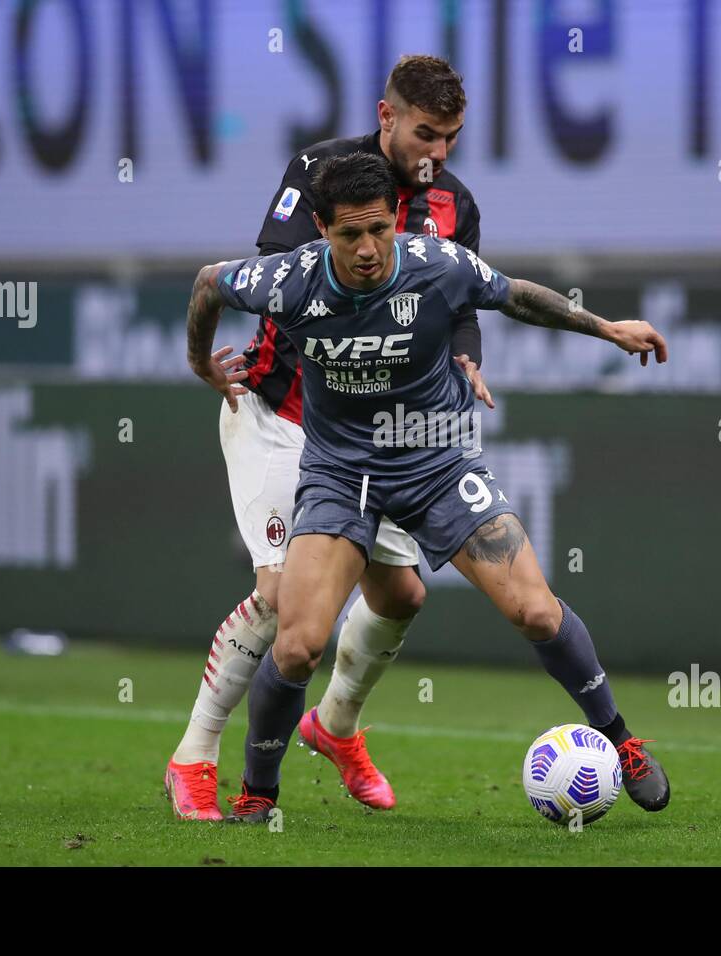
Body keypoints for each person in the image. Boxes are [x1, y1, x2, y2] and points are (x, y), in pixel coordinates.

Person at [186, 152, 672, 822]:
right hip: (341, 474)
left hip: (438, 461)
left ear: (395, 220)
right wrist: (200, 364)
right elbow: (209, 283)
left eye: (379, 229)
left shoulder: (436, 265)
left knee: (535, 609)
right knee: (297, 644)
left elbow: (515, 294)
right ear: (321, 229)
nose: (367, 249)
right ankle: (258, 792)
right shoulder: (290, 280)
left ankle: (623, 741)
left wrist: (607, 328)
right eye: (349, 234)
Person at [165, 55, 489, 819]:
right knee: (282, 599)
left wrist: (467, 351)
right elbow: (271, 273)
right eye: (424, 134)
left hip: (381, 438)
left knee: (402, 593)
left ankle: (336, 725)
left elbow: (467, 294)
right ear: (386, 118)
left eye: (450, 139)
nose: (436, 153)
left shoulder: (454, 204)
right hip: (283, 416)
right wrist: (198, 361)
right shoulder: (318, 172)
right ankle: (194, 755)